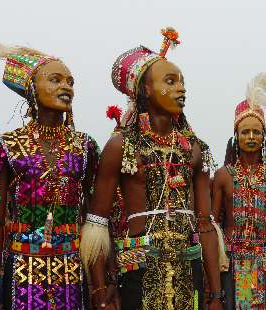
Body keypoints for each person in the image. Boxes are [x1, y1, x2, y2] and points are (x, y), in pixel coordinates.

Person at [81, 27, 223, 310]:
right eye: (170, 81)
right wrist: (99, 290)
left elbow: (205, 225)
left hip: (188, 267)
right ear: (145, 90)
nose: (180, 89)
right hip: (139, 271)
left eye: (182, 82)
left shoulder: (195, 149)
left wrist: (216, 295)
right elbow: (97, 223)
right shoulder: (121, 145)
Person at [0, 41, 98, 309]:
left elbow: (92, 218)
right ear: (32, 89)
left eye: (70, 81)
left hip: (71, 267)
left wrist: (99, 285)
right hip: (22, 268)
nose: (66, 87)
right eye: (55, 80)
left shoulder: (86, 146)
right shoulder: (7, 146)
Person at [211, 73, 266, 309]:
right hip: (229, 261)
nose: (250, 137)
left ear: (263, 136)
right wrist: (211, 282)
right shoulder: (223, 175)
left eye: (256, 132)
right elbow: (213, 225)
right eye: (245, 132)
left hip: (264, 260)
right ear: (236, 136)